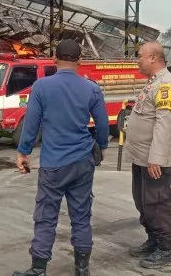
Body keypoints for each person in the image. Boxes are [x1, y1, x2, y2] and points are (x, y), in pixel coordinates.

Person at [12, 39, 109, 276]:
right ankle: (82, 269)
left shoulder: (41, 87)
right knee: (81, 216)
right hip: (83, 162)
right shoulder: (91, 88)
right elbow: (103, 123)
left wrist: (24, 152)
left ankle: (38, 269)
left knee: (46, 216)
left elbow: (31, 124)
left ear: (55, 59)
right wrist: (102, 146)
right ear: (80, 61)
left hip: (53, 164)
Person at [123, 41, 171, 269]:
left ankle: (166, 249)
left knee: (156, 202)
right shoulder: (154, 83)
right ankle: (153, 239)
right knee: (142, 200)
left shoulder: (167, 85)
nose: (137, 59)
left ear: (153, 58)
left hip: (155, 159)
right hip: (142, 157)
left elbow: (165, 123)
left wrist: (156, 157)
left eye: (140, 56)